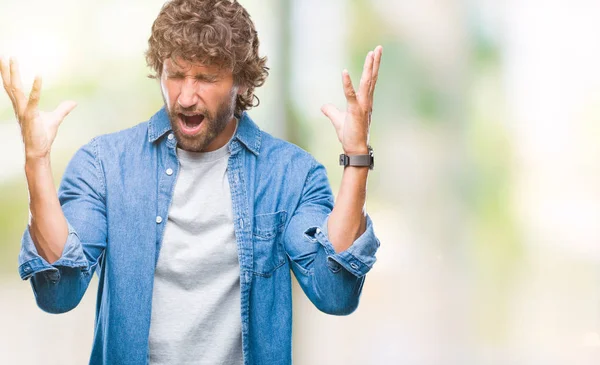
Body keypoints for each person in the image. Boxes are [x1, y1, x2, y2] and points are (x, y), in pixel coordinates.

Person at [0, 0, 382, 364]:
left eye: (205, 78)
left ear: (243, 85)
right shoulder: (104, 165)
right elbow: (58, 293)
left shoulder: (292, 175)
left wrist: (356, 159)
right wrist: (36, 160)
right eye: (176, 74)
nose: (185, 96)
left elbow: (335, 294)